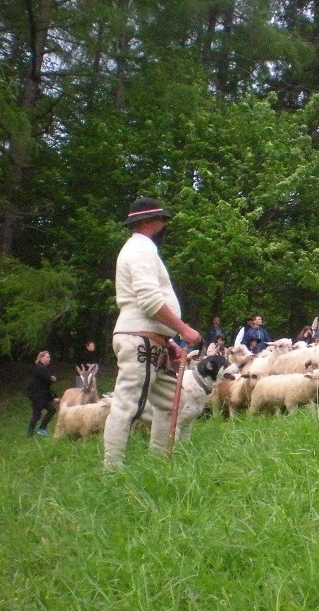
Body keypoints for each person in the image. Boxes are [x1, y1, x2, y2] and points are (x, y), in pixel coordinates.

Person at [103, 197, 202, 468]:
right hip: (140, 339)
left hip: (150, 339)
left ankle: (158, 463)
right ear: (147, 222)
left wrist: (167, 339)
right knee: (127, 404)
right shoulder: (140, 249)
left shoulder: (140, 249)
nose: (165, 224)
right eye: (162, 219)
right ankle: (112, 469)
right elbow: (147, 300)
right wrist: (183, 330)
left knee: (173, 402)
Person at [26, 350, 57, 437]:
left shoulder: (41, 368)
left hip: (41, 395)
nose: (49, 359)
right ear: (42, 358)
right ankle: (30, 434)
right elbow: (49, 379)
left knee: (51, 410)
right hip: (37, 395)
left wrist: (51, 379)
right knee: (36, 415)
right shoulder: (41, 368)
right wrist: (53, 379)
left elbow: (47, 380)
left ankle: (41, 429)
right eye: (47, 357)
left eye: (49, 357)